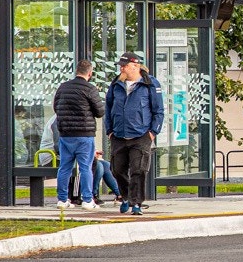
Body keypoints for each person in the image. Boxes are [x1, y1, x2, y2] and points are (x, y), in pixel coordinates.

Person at [106, 52, 163, 215]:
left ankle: (136, 204)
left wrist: (153, 132)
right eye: (121, 66)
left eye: (124, 66)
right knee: (117, 169)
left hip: (141, 135)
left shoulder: (150, 83)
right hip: (118, 134)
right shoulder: (116, 83)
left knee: (138, 170)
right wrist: (109, 130)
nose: (122, 68)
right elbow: (108, 107)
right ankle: (125, 197)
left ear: (135, 66)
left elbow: (158, 110)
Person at [52, 59, 105, 211]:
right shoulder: (90, 88)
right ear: (90, 73)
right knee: (85, 168)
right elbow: (100, 111)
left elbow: (56, 107)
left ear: (76, 71)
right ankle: (87, 200)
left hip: (65, 134)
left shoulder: (63, 87)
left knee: (64, 168)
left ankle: (62, 200)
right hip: (84, 135)